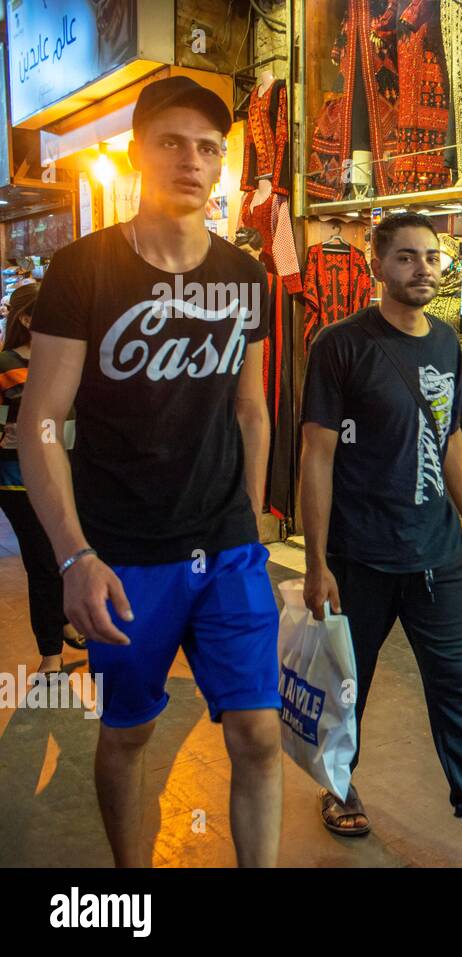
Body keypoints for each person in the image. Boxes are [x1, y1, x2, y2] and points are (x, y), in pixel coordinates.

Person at [18, 77, 282, 868]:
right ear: (138, 152)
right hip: (125, 550)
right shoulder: (82, 269)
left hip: (227, 542)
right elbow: (40, 423)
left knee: (260, 732)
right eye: (172, 142)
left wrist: (254, 515)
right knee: (129, 732)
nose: (192, 162)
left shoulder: (244, 276)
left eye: (208, 149)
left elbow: (251, 410)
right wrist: (72, 553)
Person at [298, 211, 462, 867]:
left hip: (434, 553)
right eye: (407, 258)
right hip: (361, 554)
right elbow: (317, 458)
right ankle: (337, 784)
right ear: (378, 266)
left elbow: (452, 436)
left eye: (432, 257)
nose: (424, 269)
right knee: (352, 682)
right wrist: (316, 561)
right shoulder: (339, 345)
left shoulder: (444, 341)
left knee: (455, 689)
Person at [0, 283, 84, 677]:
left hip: (67, 475)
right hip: (19, 481)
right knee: (44, 563)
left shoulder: (67, 358)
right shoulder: (6, 364)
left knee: (70, 557)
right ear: (27, 319)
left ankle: (63, 622)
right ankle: (50, 653)